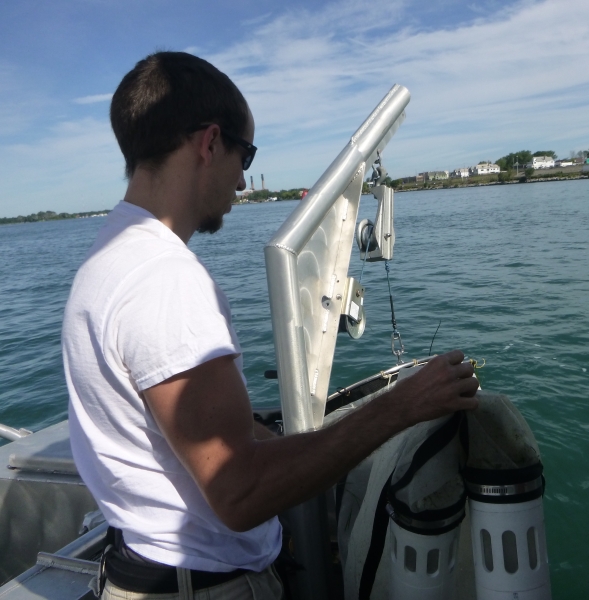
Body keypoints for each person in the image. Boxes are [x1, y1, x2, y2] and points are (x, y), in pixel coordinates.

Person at [62, 51, 478, 600]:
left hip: (139, 566)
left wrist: (263, 433)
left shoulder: (105, 261)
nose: (241, 181)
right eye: (246, 154)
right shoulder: (165, 281)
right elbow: (240, 493)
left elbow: (169, 432)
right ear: (210, 143)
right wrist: (404, 406)